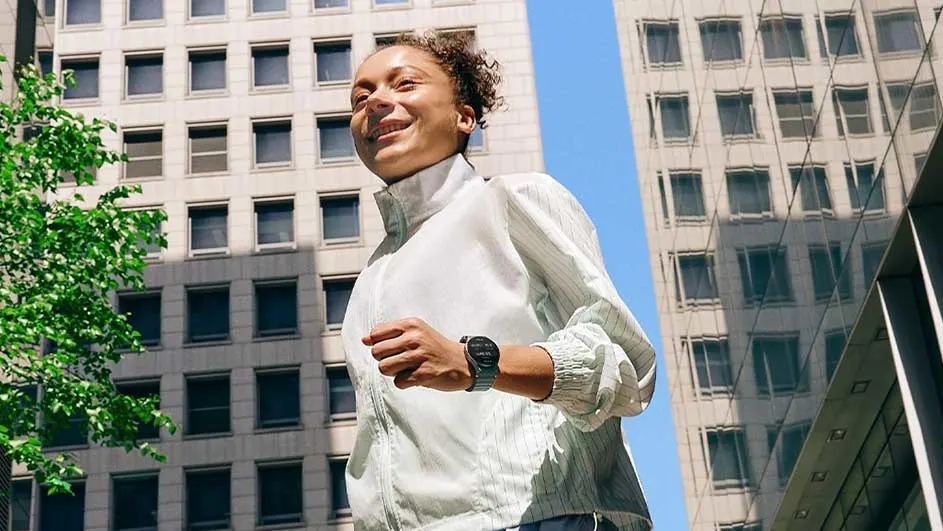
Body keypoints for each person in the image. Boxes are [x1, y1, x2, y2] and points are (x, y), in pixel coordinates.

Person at [342, 30, 657, 531]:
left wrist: (474, 362)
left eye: (404, 84)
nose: (376, 102)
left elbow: (623, 364)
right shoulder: (369, 279)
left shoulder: (514, 200)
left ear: (464, 117)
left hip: (534, 518)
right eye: (361, 98)